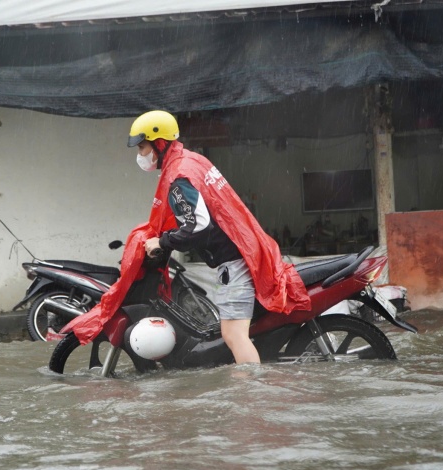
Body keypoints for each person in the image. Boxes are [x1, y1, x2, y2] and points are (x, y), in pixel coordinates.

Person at [129, 110, 311, 364]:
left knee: (234, 335)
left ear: (159, 143)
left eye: (142, 147)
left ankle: (251, 395)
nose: (140, 155)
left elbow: (199, 225)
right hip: (245, 250)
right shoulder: (191, 160)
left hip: (235, 260)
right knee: (233, 333)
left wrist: (162, 241)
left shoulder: (179, 178)